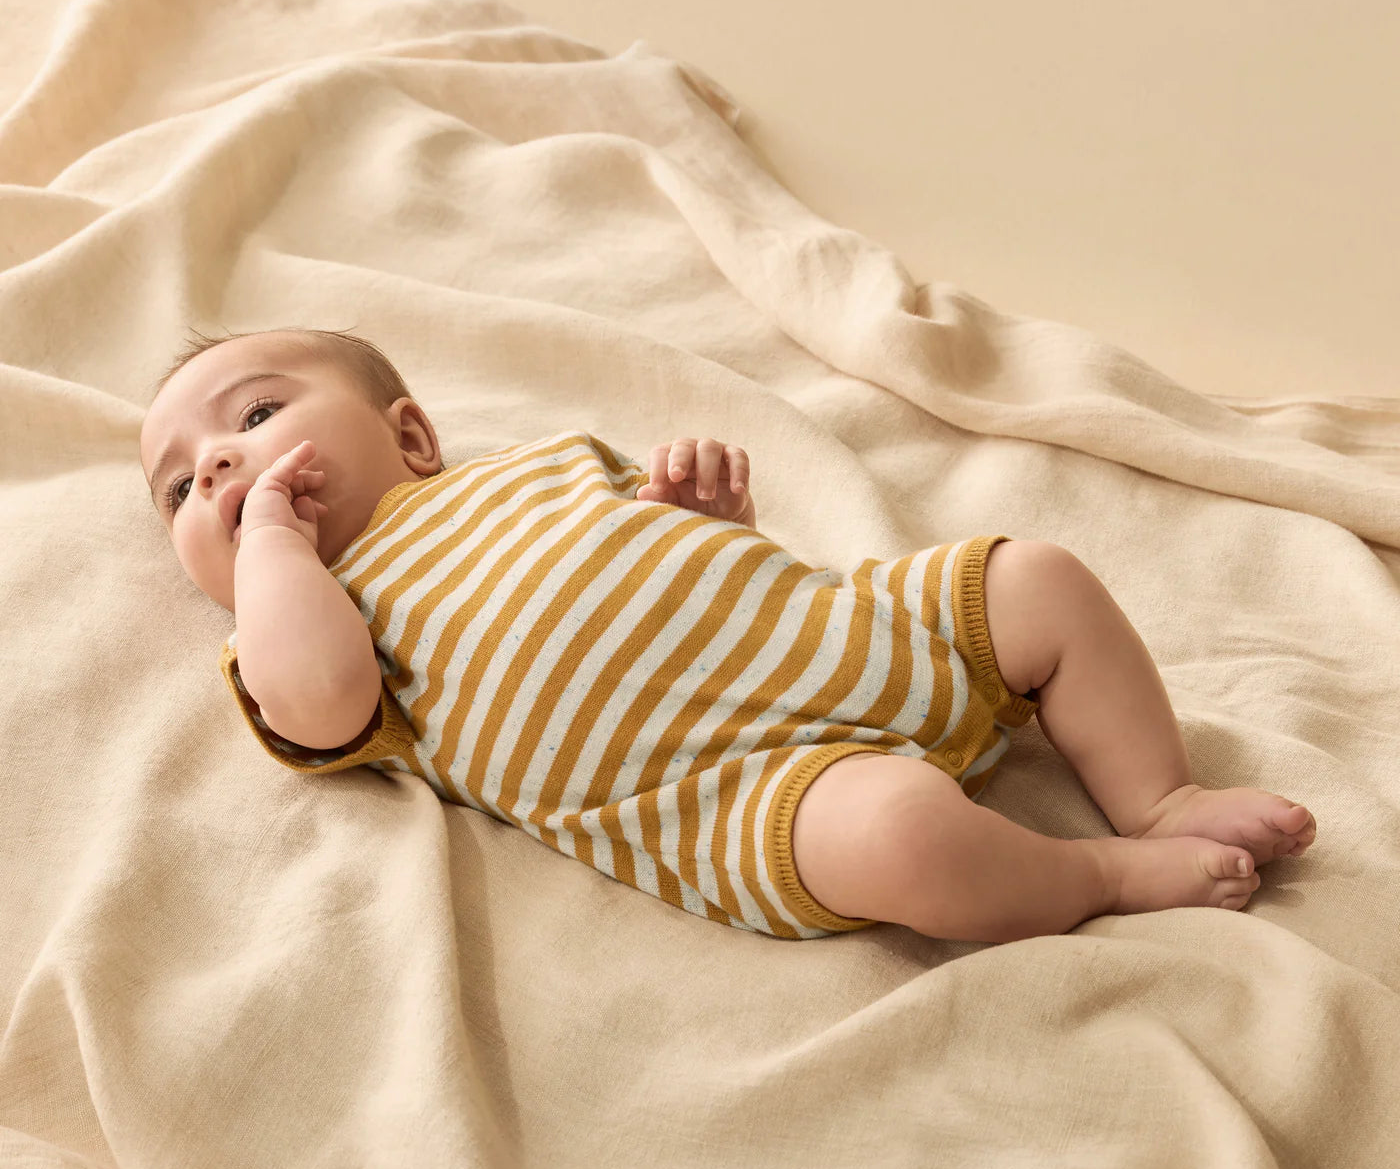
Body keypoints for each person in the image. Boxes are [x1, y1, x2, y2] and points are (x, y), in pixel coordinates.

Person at [140, 326, 1316, 943]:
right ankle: (1094, 874)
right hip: (743, 787)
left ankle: (1154, 796)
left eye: (256, 412)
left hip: (842, 632)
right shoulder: (301, 618)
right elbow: (323, 695)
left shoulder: (535, 468)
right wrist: (274, 548)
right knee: (909, 840)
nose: (222, 465)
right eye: (185, 488)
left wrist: (703, 525)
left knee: (1035, 577)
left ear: (409, 436)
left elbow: (684, 573)